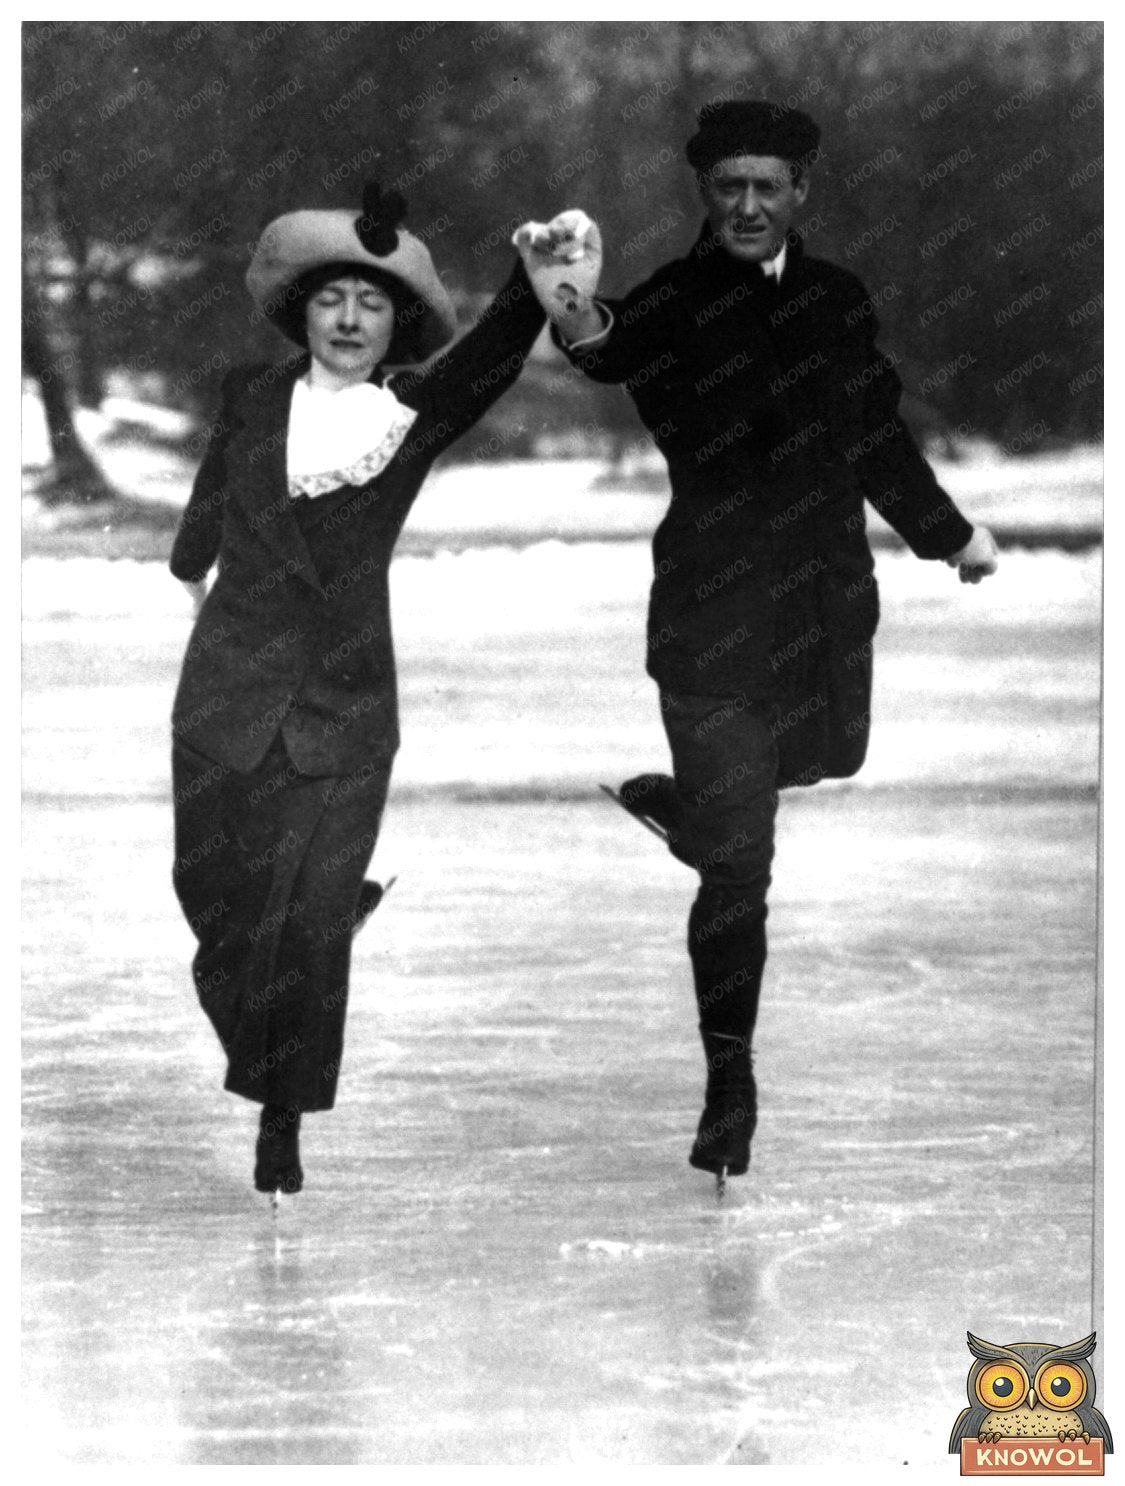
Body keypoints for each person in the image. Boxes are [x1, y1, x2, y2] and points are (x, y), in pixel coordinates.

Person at [527, 102, 998, 1186]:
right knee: (742, 869)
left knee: (820, 767)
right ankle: (728, 1082)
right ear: (706, 191)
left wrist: (948, 534)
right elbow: (609, 346)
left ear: (800, 192)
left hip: (821, 610)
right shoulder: (676, 296)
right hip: (711, 617)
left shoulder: (836, 299)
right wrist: (573, 311)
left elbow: (876, 435)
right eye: (728, 186)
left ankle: (697, 812)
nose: (747, 205)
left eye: (767, 186)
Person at [169, 182, 550, 1203]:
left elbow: (486, 362)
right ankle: (301, 977)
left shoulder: (407, 416)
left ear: (396, 323)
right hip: (225, 693)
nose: (348, 318)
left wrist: (530, 281)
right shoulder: (251, 395)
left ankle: (281, 1121)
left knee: (301, 930)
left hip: (343, 701)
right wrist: (188, 560)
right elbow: (213, 491)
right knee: (214, 910)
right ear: (302, 310)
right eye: (332, 298)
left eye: (371, 303)